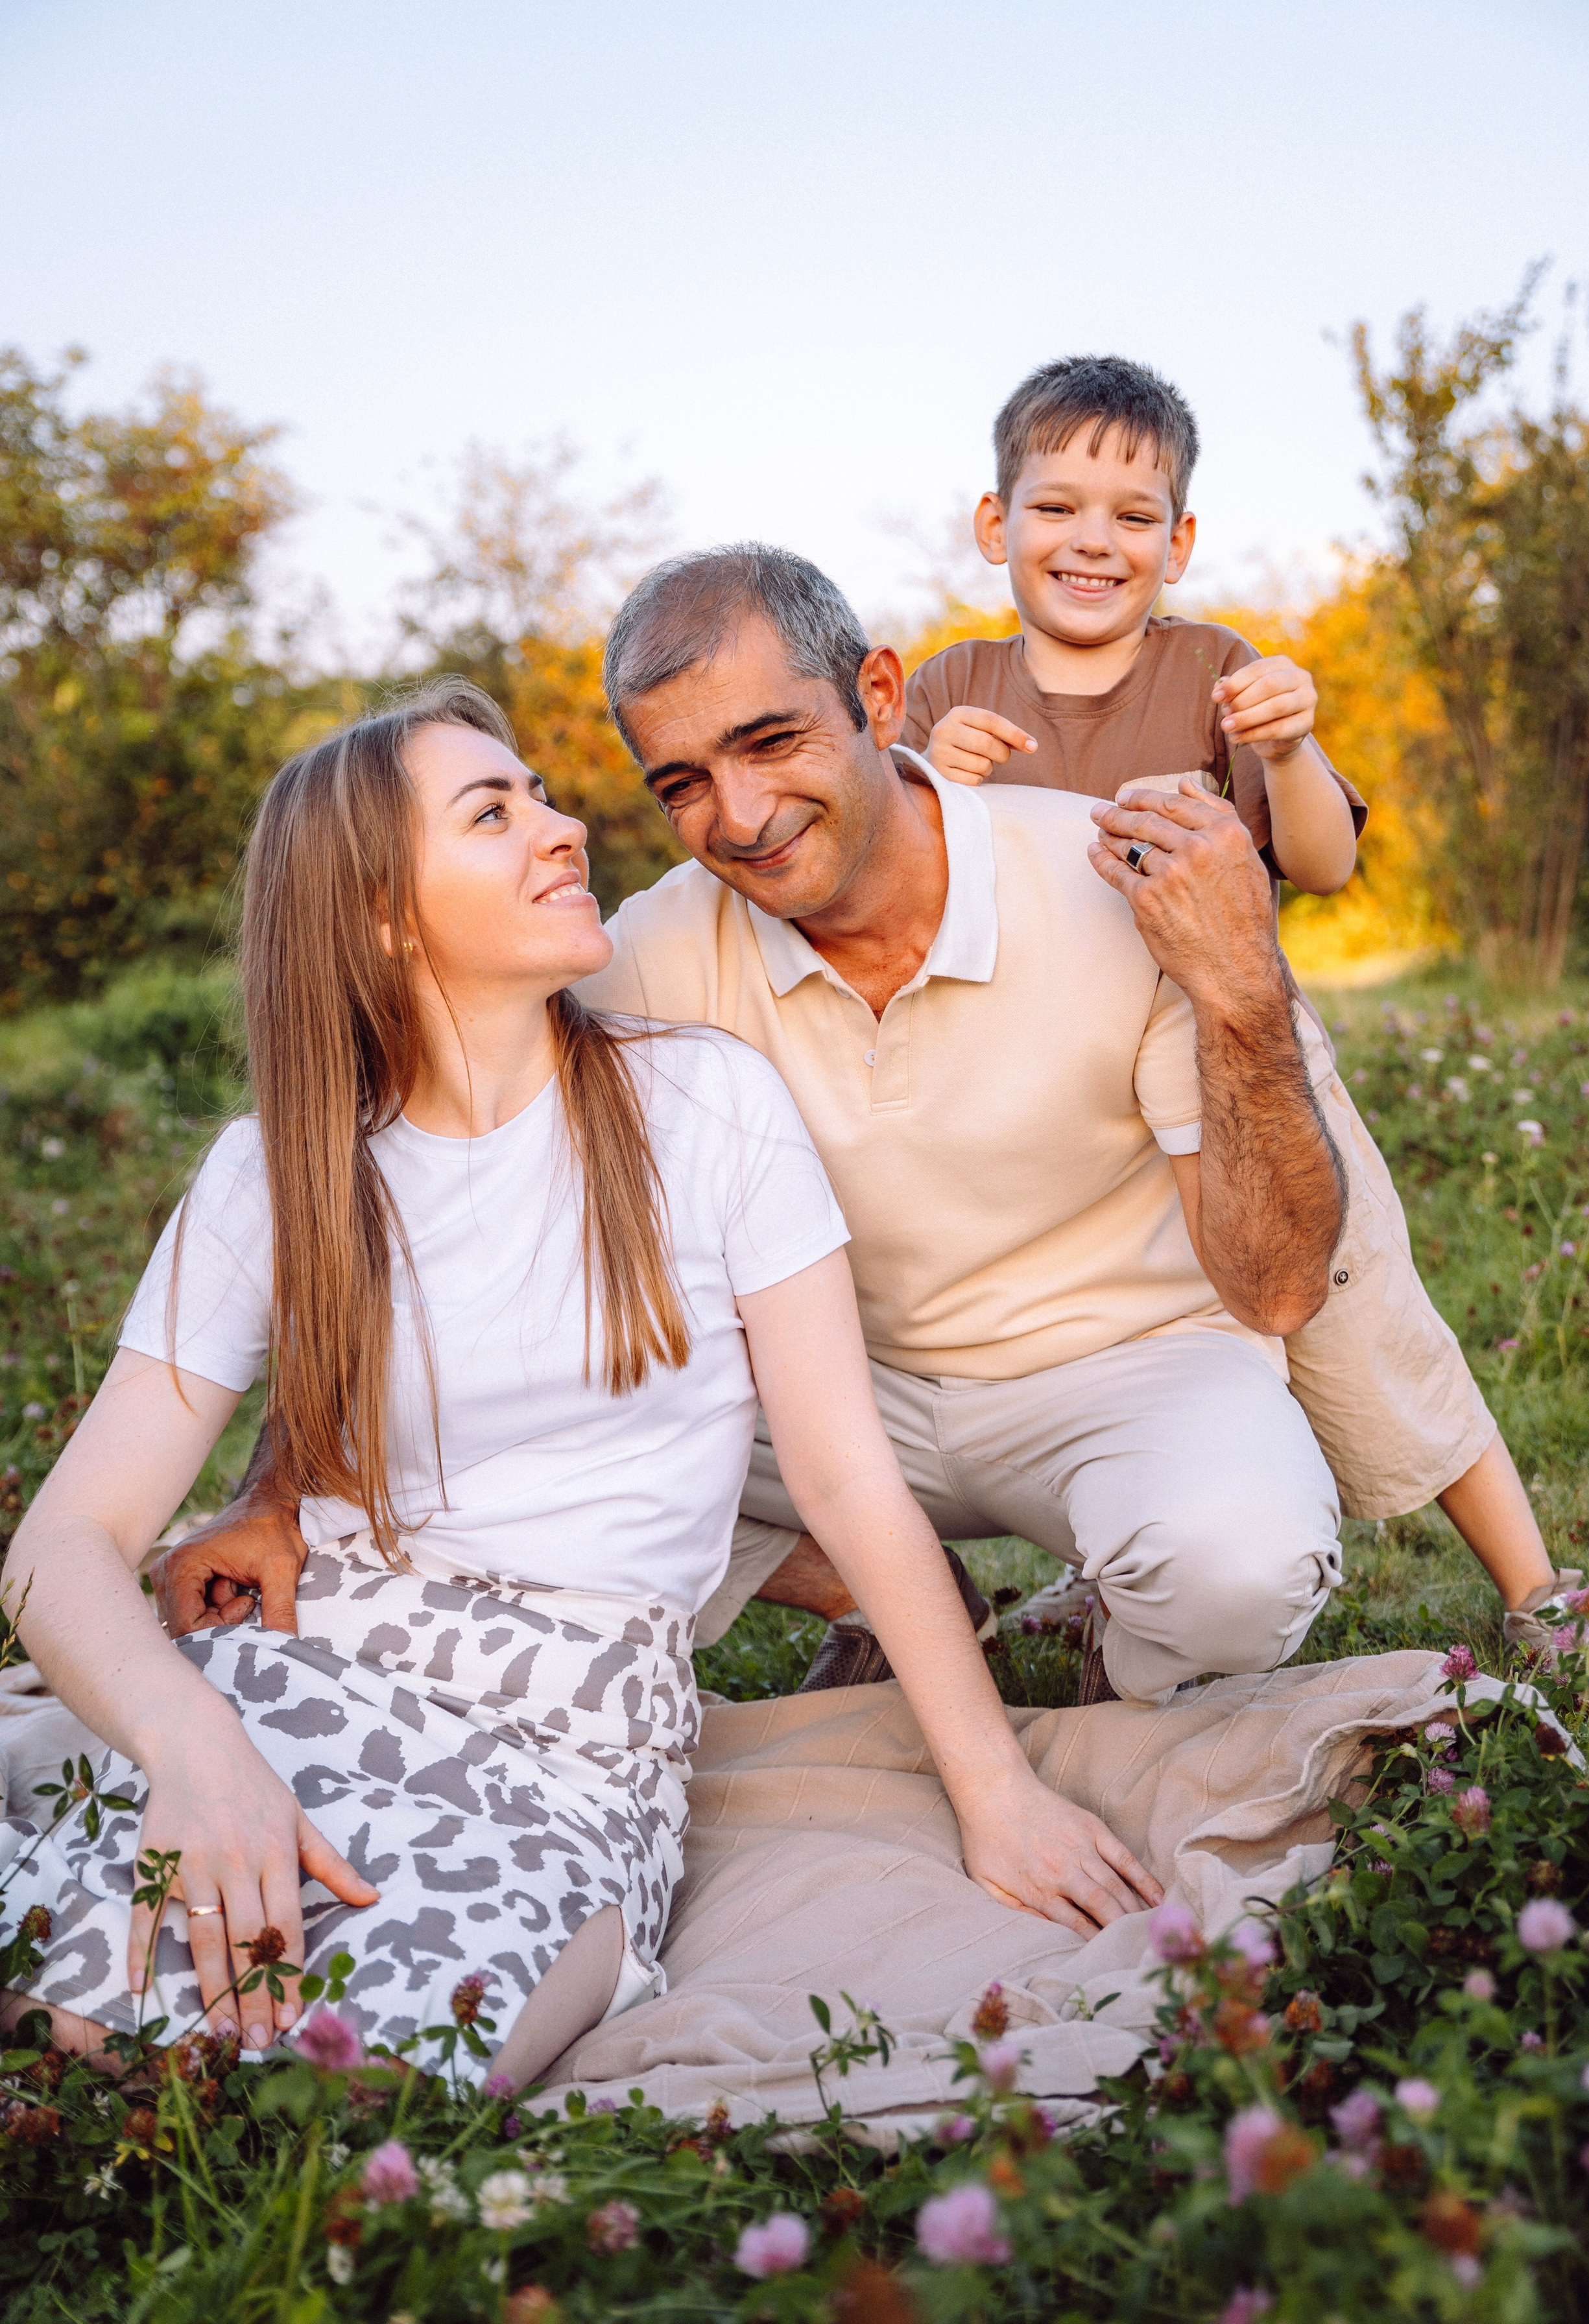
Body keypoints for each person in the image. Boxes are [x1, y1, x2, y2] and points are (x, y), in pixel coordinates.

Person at [0, 679, 1162, 2090]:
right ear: (380, 914)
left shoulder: (705, 1103)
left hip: (572, 1742)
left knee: (383, 2068)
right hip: (304, 1676)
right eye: (494, 813)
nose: (561, 828)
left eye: (541, 793)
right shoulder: (274, 1172)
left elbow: (848, 1481)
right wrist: (194, 1747)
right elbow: (61, 1546)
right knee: (76, 2011)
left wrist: (996, 1795)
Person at [900, 355, 1560, 1641]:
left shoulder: (1214, 671)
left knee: (1352, 1295)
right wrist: (929, 782)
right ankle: (944, 1593)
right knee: (1077, 1340)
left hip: (1229, 1050)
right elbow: (906, 893)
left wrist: (1287, 746)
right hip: (1039, 1074)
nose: (1092, 540)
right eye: (1055, 506)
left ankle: (1536, 1584)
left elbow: (1320, 863)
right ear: (995, 525)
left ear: (1178, 540)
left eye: (1131, 515)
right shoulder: (948, 692)